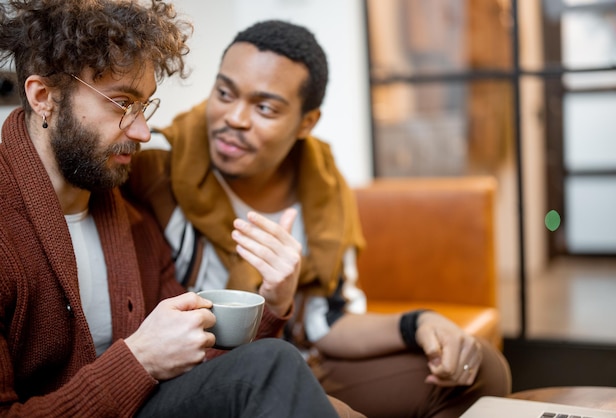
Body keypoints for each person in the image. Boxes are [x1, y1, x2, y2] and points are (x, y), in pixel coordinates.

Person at [127, 19, 512, 418]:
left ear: (306, 123)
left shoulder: (322, 188)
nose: (235, 118)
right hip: (218, 372)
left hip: (306, 356)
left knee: (480, 368)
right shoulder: (157, 171)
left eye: (264, 108)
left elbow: (327, 321)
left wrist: (422, 323)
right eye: (224, 93)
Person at [0, 3, 351, 417]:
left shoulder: (130, 213)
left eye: (145, 106)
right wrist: (139, 362)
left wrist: (272, 304)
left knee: (287, 373)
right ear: (43, 97)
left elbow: (206, 367)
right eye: (120, 103)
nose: (143, 131)